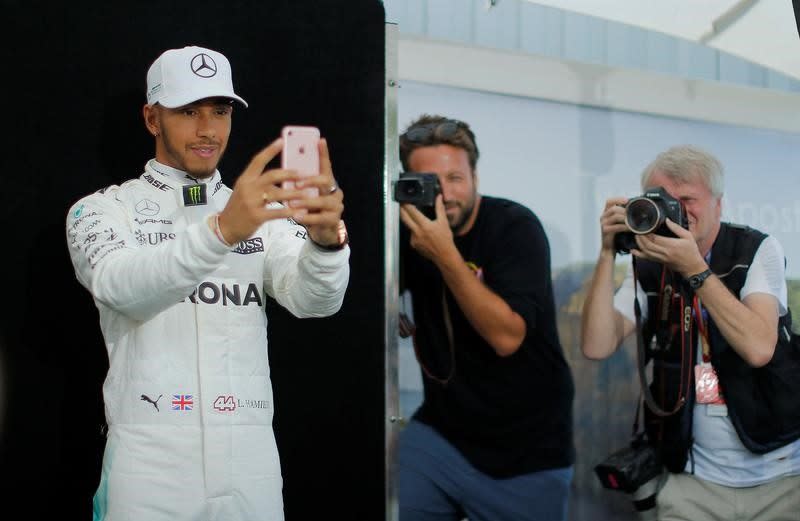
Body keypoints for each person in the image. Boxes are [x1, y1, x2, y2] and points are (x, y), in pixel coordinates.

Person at [65, 45, 350, 521]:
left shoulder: (261, 211)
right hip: (150, 460)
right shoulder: (100, 210)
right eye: (188, 111)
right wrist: (221, 232)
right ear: (152, 119)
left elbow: (316, 302)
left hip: (251, 459)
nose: (208, 129)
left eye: (220, 111)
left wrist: (325, 244)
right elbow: (120, 287)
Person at [580, 145, 800, 521]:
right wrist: (607, 252)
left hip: (779, 477)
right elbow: (596, 345)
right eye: (664, 201)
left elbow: (759, 348)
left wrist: (695, 269)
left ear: (718, 204)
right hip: (691, 481)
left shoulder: (755, 249)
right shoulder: (648, 262)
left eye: (688, 200)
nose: (677, 211)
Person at [396, 114, 575, 521]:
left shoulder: (515, 228)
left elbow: (506, 337)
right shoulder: (407, 232)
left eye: (456, 178)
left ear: (475, 176)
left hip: (526, 449)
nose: (446, 194)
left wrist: (445, 255)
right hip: (442, 435)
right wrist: (388, 313)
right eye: (430, 182)